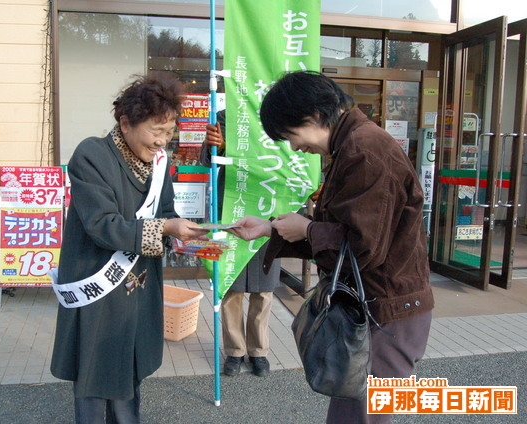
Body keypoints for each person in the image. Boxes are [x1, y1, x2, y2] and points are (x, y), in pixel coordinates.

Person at [226, 71, 434, 424]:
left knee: (361, 415)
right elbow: (345, 231)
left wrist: (307, 228)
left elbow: (364, 246)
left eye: (291, 135)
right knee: (354, 412)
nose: (293, 147)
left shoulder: (365, 149)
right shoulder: (351, 145)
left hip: (383, 310)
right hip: (375, 307)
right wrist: (270, 228)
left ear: (316, 115)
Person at [50, 72, 208, 424]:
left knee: (128, 370)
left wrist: (186, 232)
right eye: (156, 131)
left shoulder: (159, 164)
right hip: (97, 280)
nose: (162, 143)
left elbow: (166, 212)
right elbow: (102, 225)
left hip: (138, 283)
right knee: (94, 371)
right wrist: (166, 228)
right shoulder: (92, 154)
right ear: (125, 123)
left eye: (169, 133)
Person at [200, 110, 280, 377]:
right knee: (231, 287)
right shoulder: (224, 116)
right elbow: (206, 160)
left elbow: (291, 158)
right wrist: (218, 145)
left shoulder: (279, 116)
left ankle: (259, 351)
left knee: (263, 290)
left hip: (269, 208)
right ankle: (235, 351)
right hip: (232, 209)